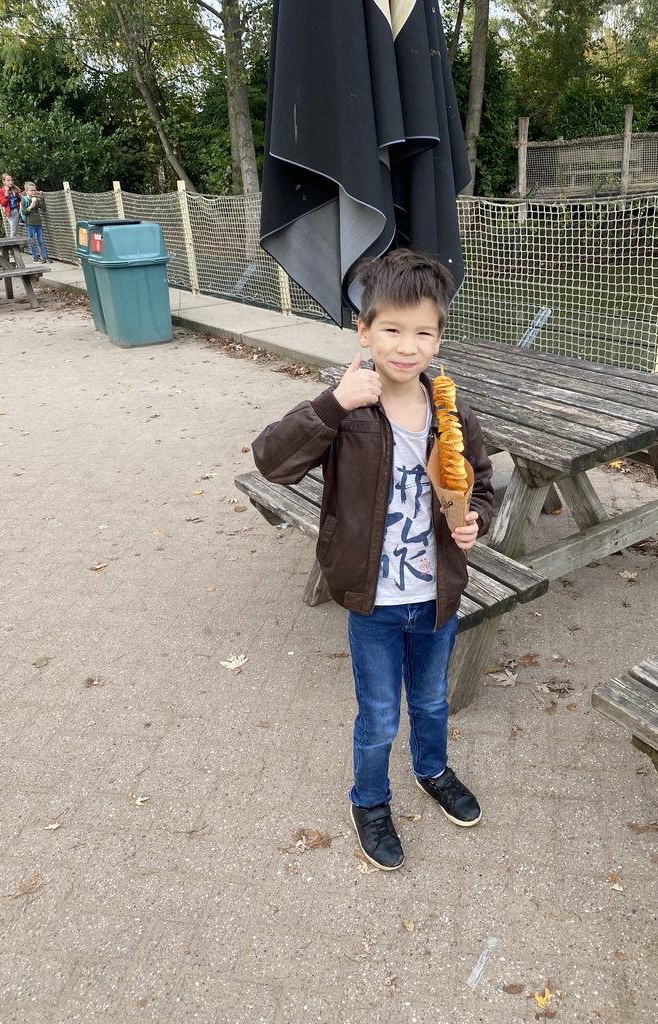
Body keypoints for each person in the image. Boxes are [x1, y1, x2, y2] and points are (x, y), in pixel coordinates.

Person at [252, 249, 495, 870]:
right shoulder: (347, 408)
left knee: (434, 701)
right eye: (391, 329)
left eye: (422, 332)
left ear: (439, 337)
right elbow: (271, 462)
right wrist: (332, 404)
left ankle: (433, 770)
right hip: (373, 599)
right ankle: (370, 798)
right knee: (381, 713)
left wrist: (475, 522)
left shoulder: (450, 411)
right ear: (364, 331)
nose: (406, 345)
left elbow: (483, 483)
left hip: (437, 592)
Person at [20, 182, 48, 263]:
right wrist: (31, 206)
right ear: (26, 191)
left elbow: (43, 208)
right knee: (32, 240)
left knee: (41, 240)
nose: (33, 192)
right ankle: (35, 257)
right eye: (31, 190)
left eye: (34, 190)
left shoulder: (37, 200)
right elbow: (24, 212)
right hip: (31, 223)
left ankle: (45, 256)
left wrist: (42, 198)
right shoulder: (24, 200)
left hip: (38, 223)